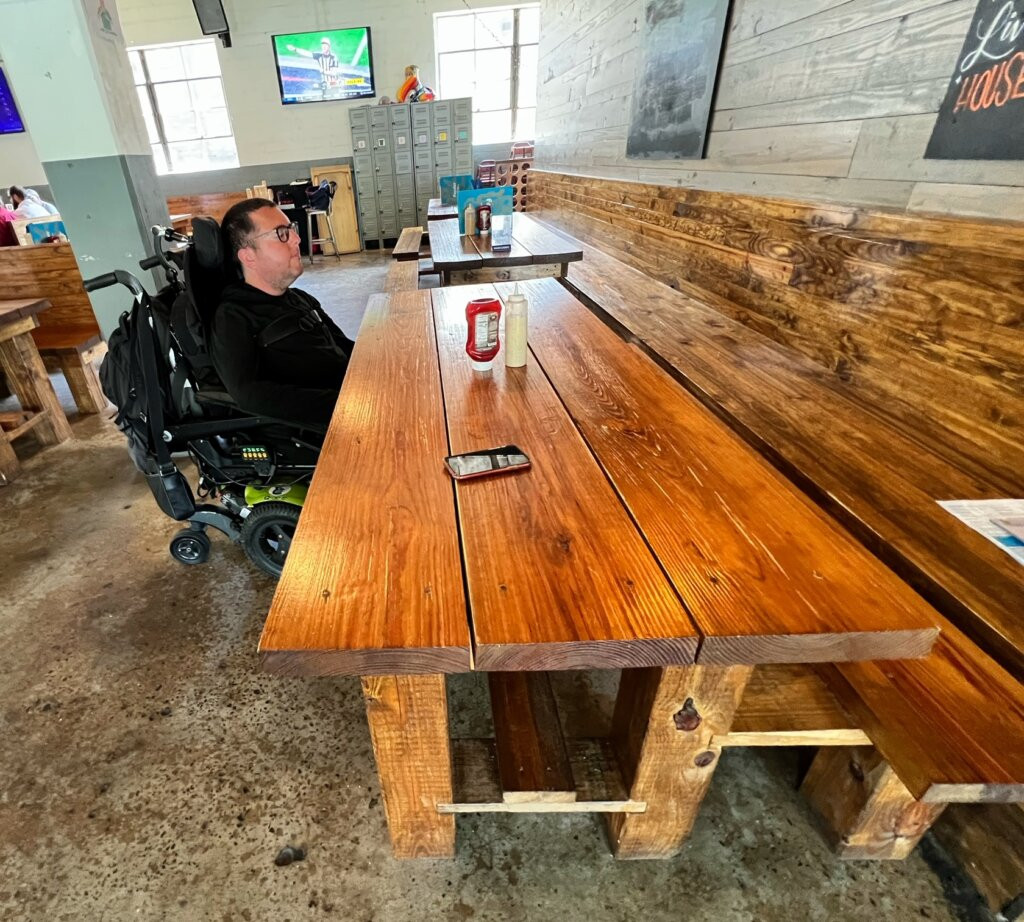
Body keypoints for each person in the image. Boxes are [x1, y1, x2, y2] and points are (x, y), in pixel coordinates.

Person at [211, 198, 355, 431]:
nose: (297, 239)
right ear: (248, 256)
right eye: (281, 234)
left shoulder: (299, 298)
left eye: (291, 230)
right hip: (329, 427)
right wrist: (346, 405)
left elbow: (343, 347)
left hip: (357, 399)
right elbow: (250, 395)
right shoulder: (233, 317)